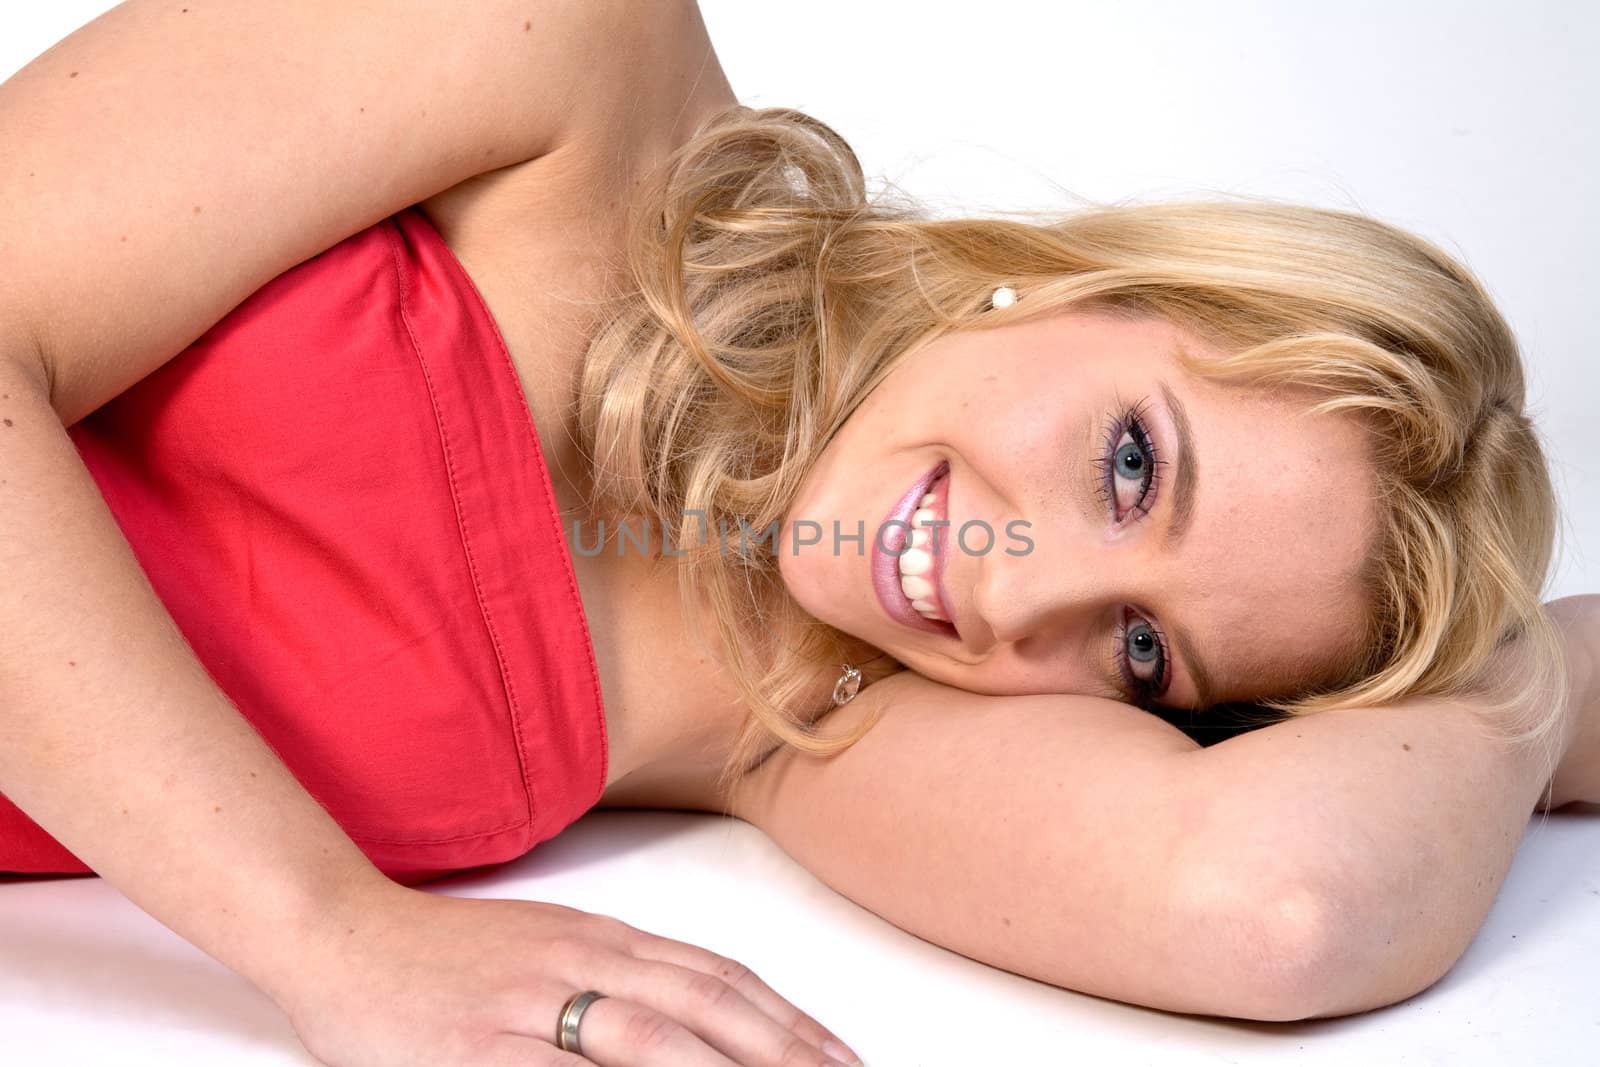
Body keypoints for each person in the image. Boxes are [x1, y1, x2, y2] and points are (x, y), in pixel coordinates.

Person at [0, 2, 1595, 1065]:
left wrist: (1522, 680)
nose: (1016, 595)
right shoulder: (571, 59)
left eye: (1143, 651)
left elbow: (1273, 907)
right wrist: (325, 935)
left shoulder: (819, 718)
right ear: (1097, 280)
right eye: (1128, 465)